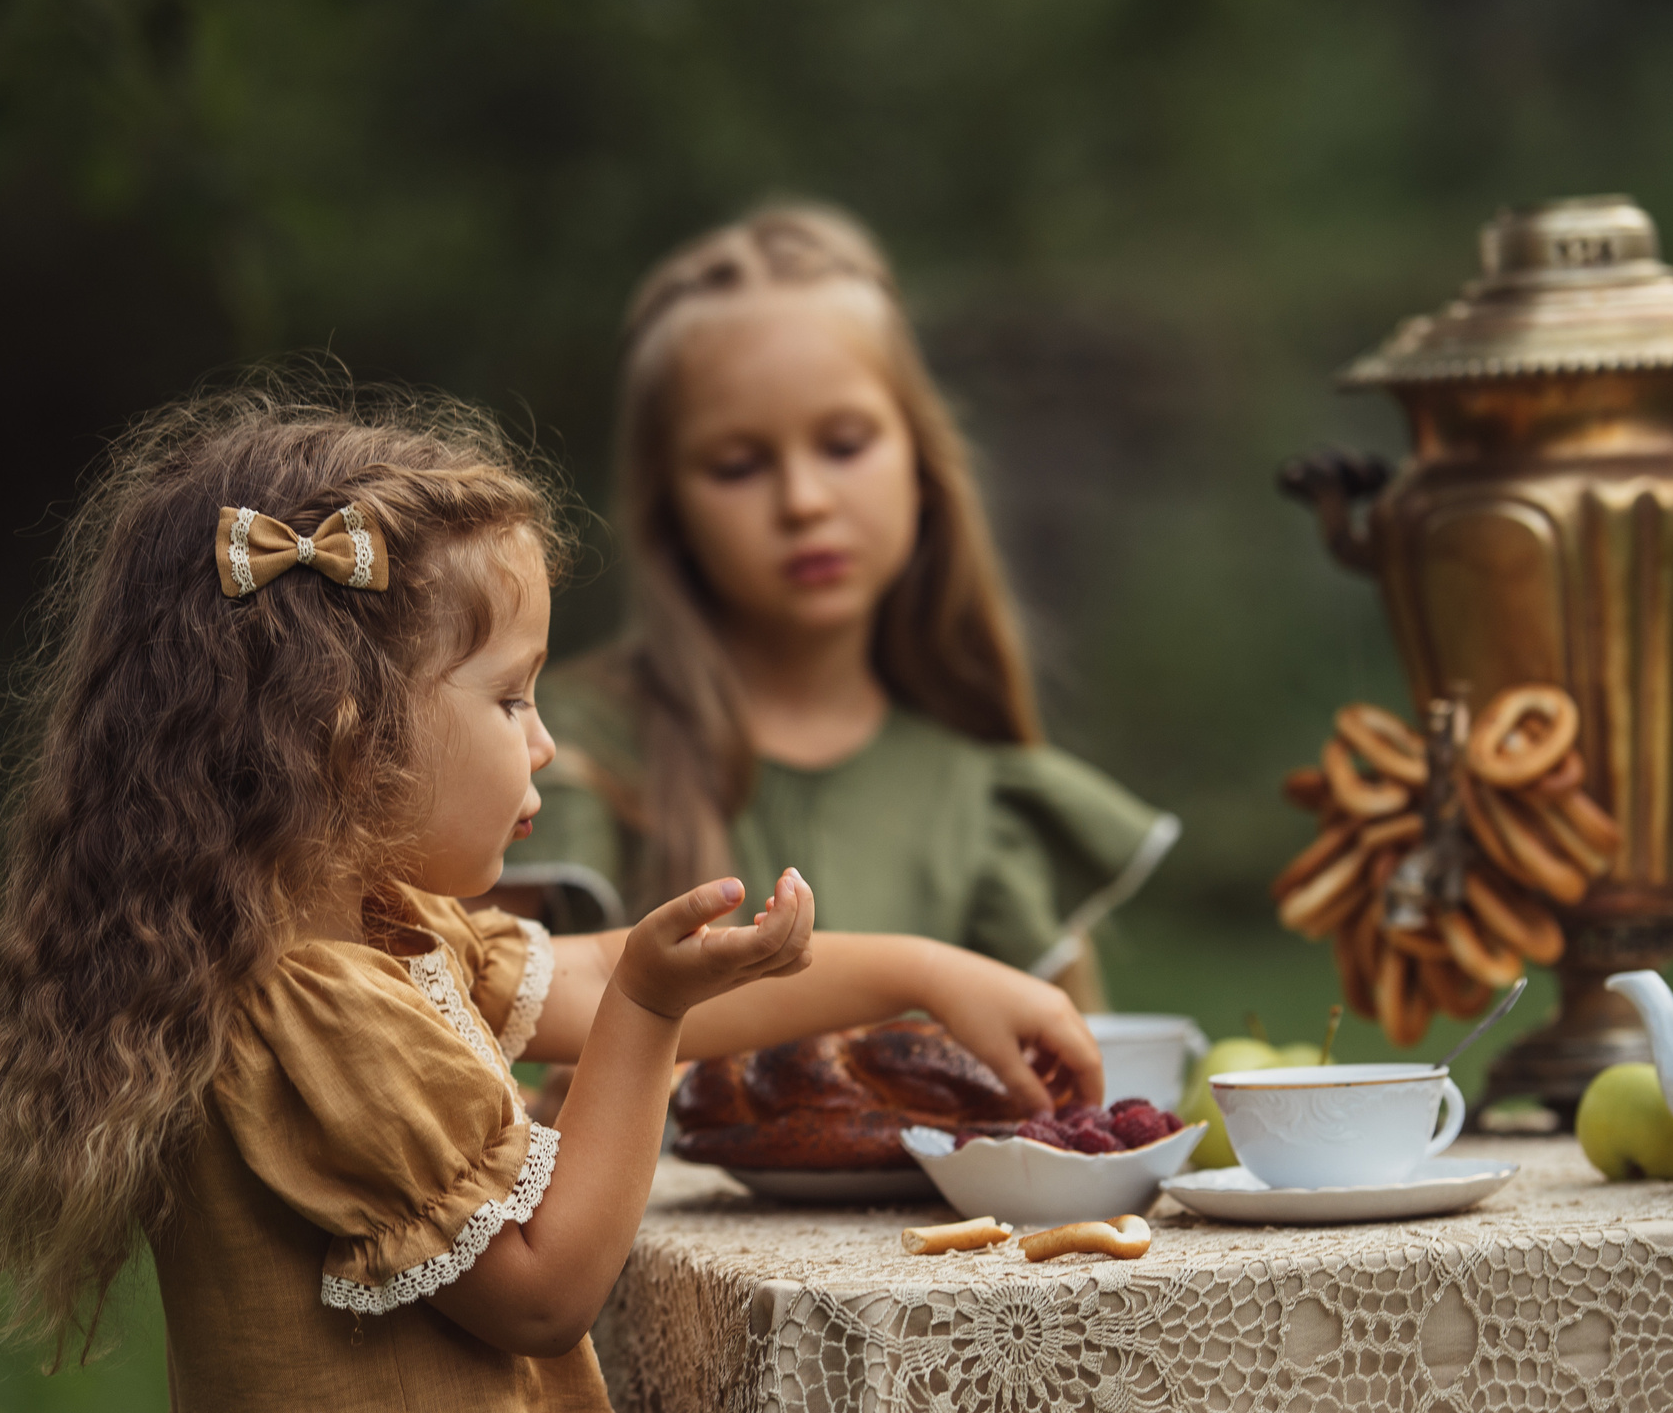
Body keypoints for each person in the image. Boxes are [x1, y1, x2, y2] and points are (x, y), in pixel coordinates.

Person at [0, 376, 1100, 1413]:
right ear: (341, 731)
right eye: (509, 696)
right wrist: (649, 1020)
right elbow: (544, 1288)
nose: (543, 742)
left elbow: (596, 976)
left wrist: (926, 970)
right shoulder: (315, 1003)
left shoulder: (371, 936)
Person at [498, 204, 1175, 1005]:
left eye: (845, 445)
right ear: (668, 505)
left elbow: (1071, 1101)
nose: (804, 500)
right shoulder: (556, 755)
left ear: (920, 462)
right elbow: (459, 1057)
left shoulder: (984, 805)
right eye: (740, 464)